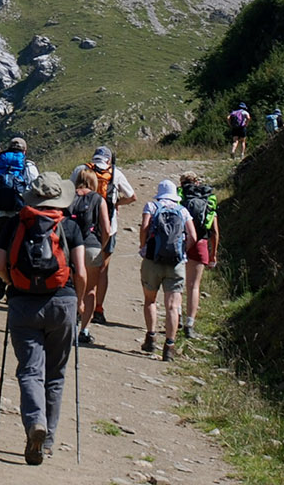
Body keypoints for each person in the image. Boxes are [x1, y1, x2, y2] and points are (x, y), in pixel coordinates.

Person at [0, 171, 86, 465]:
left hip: (23, 305)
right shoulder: (70, 227)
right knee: (55, 375)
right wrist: (81, 302)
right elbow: (81, 271)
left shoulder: (15, 223)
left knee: (30, 371)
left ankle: (35, 422)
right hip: (63, 303)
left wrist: (14, 284)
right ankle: (46, 443)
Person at [69, 146, 136, 325]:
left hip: (77, 230)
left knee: (75, 271)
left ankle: (76, 306)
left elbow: (68, 192)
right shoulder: (115, 173)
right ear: (108, 159)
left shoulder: (80, 169)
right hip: (107, 229)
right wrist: (115, 203)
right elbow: (132, 196)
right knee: (101, 271)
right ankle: (97, 308)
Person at [138, 180, 196, 361]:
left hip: (152, 261)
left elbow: (144, 228)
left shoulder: (151, 206)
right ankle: (169, 347)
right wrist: (182, 251)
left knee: (150, 300)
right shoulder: (182, 210)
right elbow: (193, 236)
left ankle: (151, 337)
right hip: (176, 263)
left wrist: (143, 246)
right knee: (172, 306)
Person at [0, 137, 39, 302]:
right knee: (16, 250)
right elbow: (36, 189)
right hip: (19, 215)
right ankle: (13, 287)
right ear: (24, 150)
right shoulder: (28, 166)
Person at [67, 169, 112, 345]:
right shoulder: (98, 199)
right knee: (90, 290)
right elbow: (107, 229)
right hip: (91, 246)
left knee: (70, 287)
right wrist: (101, 246)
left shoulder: (68, 197)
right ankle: (84, 330)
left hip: (71, 248)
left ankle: (68, 325)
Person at [177, 172, 220, 339]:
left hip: (181, 242)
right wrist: (213, 254)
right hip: (201, 243)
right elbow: (215, 232)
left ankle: (177, 317)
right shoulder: (207, 200)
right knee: (193, 286)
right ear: (197, 182)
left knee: (178, 283)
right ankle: (189, 324)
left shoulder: (180, 197)